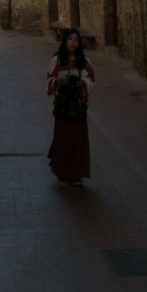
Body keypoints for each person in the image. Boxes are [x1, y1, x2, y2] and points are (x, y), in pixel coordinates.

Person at [46, 28, 95, 187]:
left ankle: (75, 174)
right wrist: (58, 82)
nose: (73, 43)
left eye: (76, 40)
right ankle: (62, 174)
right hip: (64, 107)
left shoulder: (85, 61)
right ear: (65, 41)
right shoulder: (57, 60)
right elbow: (49, 79)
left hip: (78, 107)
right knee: (64, 140)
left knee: (78, 141)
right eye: (70, 39)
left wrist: (83, 83)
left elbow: (91, 80)